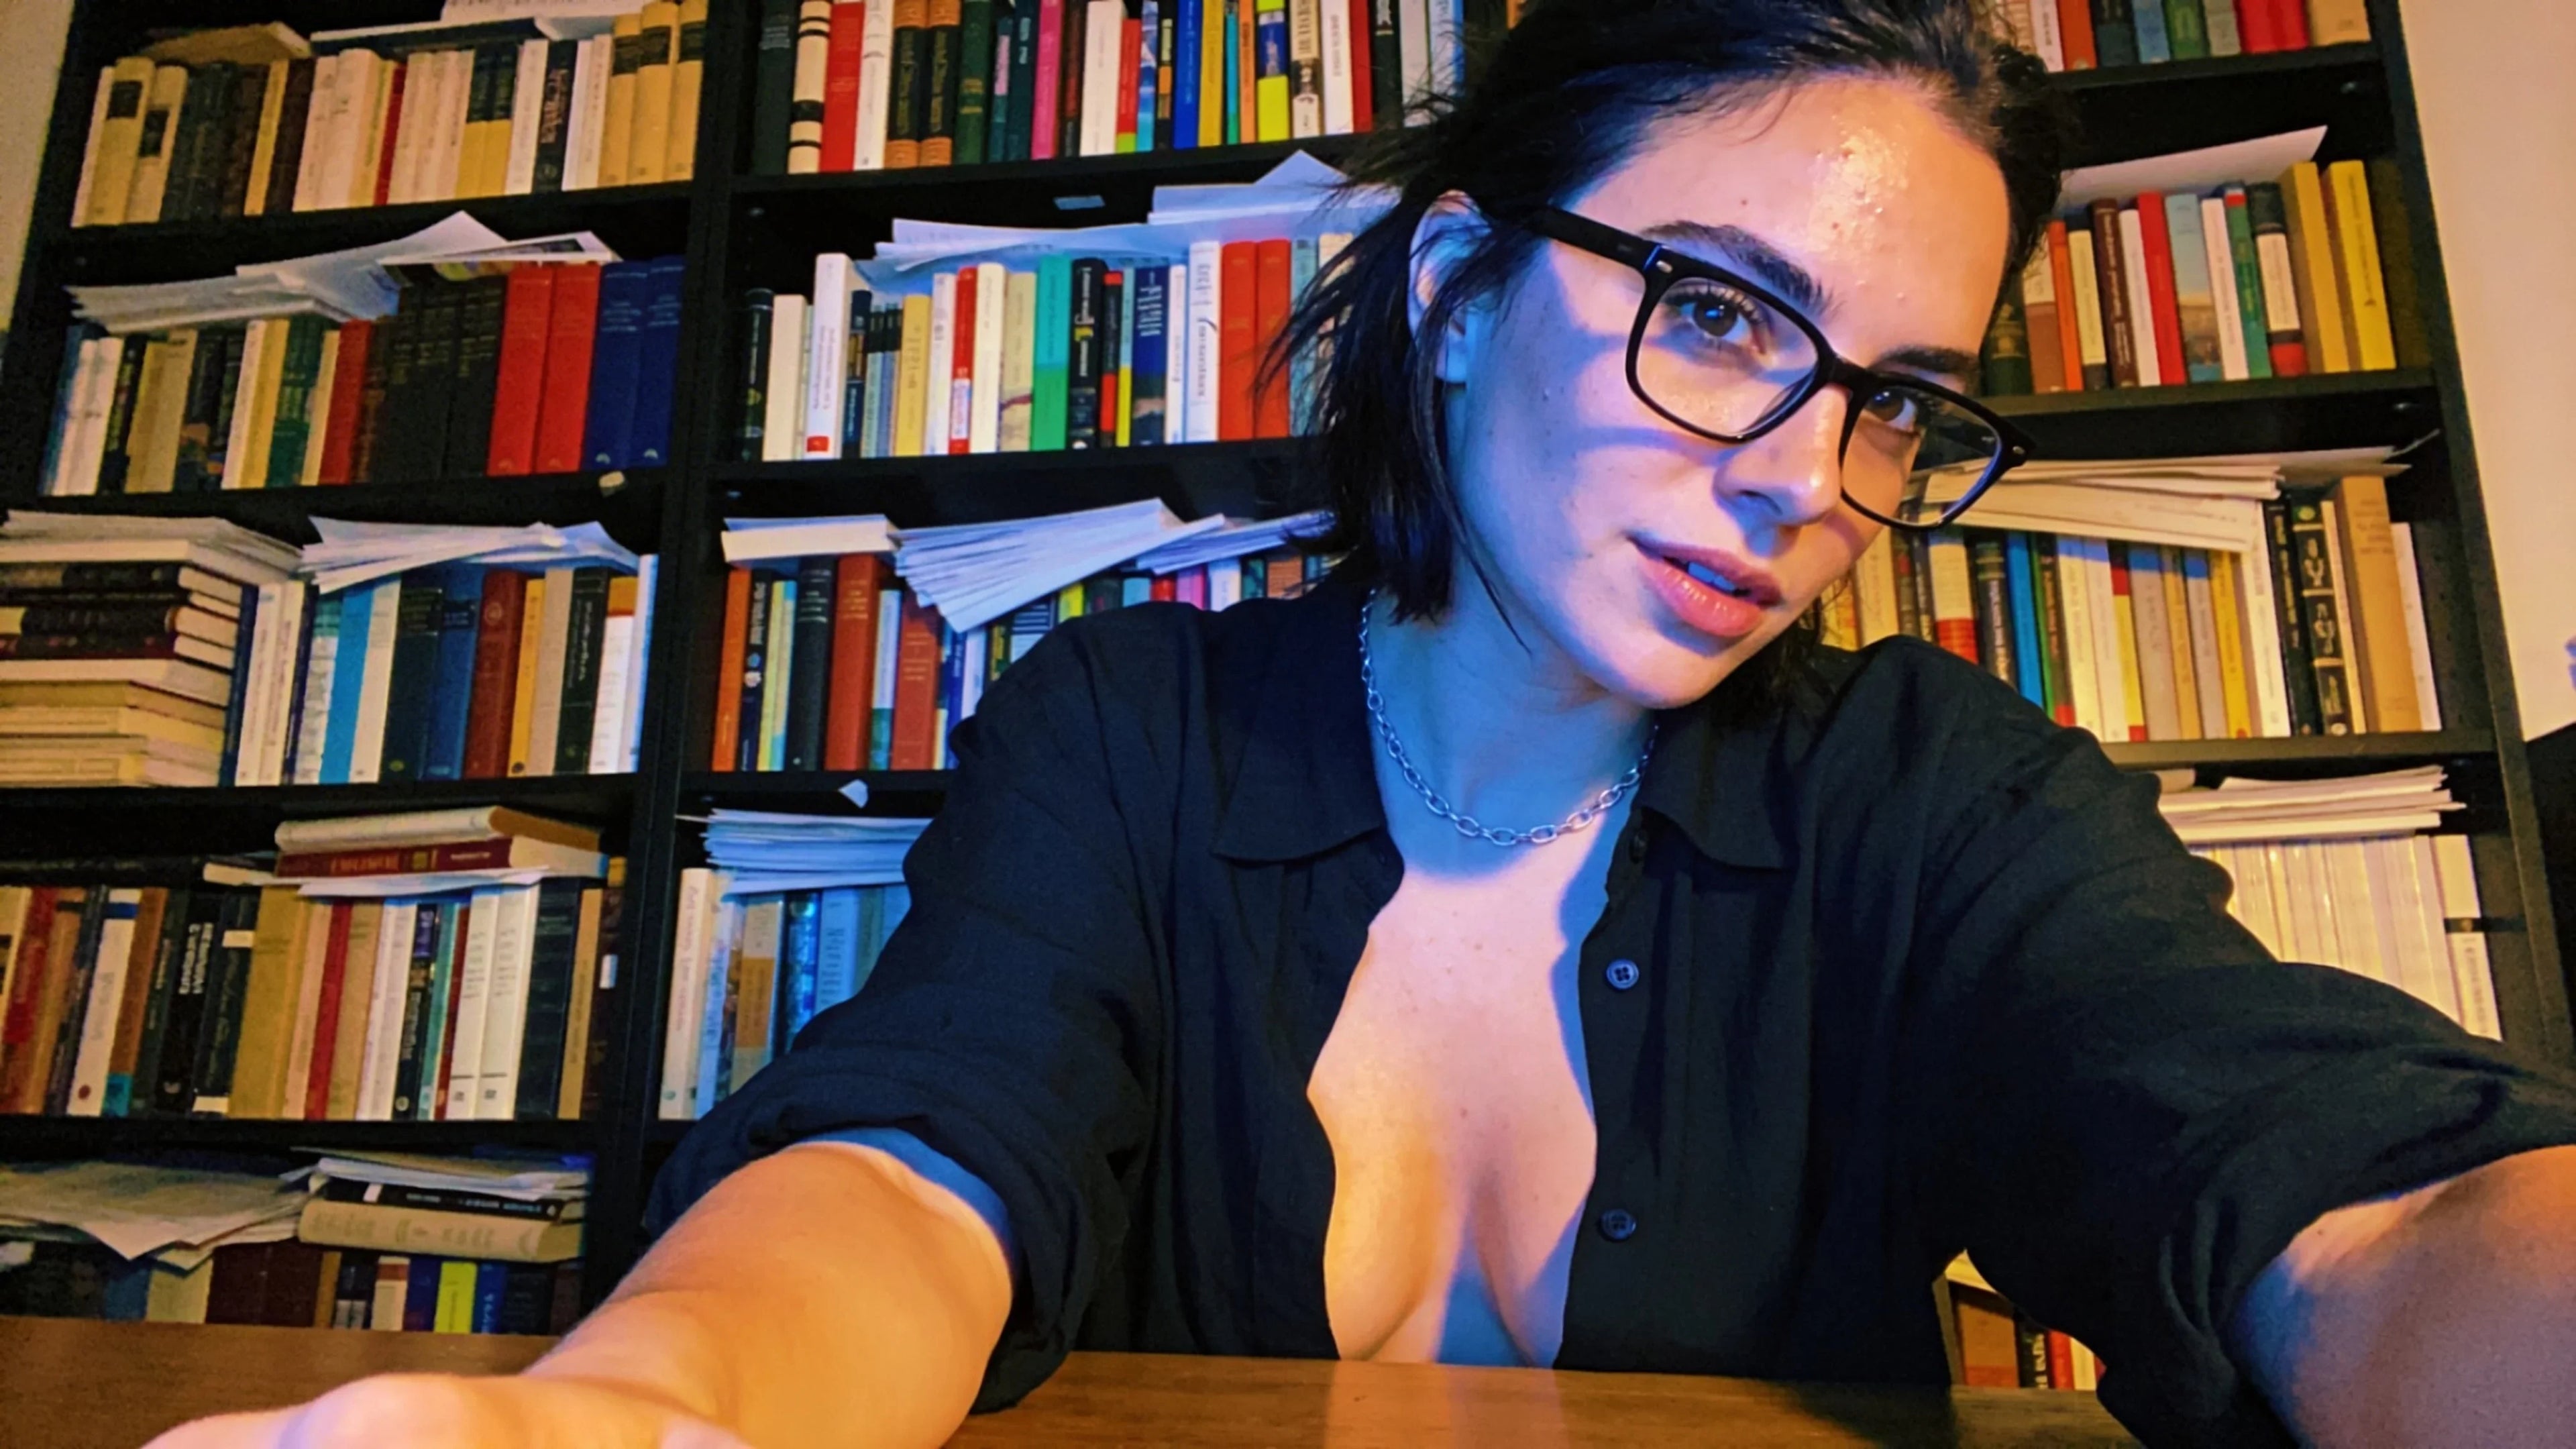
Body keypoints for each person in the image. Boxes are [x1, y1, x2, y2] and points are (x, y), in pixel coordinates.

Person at [160, 3, 2576, 1446]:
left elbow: (2327, 1185)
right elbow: (920, 1157)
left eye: (1896, 402)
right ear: (1455, 287)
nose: (1811, 481)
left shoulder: (1928, 796)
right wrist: (649, 1405)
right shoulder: (1131, 727)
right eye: (1724, 317)